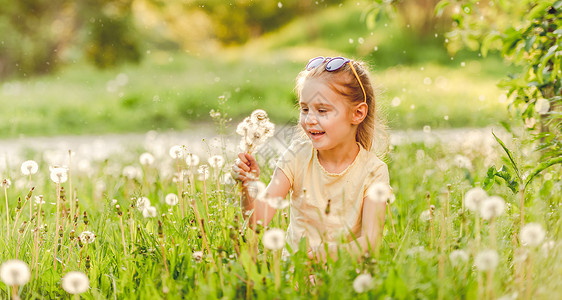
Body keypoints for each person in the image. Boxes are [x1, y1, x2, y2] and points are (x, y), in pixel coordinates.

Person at [232, 56, 391, 260]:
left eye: (322, 110)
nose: (309, 120)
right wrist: (248, 185)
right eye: (305, 109)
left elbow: (370, 242)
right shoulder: (297, 156)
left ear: (357, 113)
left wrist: (324, 255)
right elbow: (258, 220)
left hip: (344, 274)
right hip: (297, 275)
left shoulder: (374, 171)